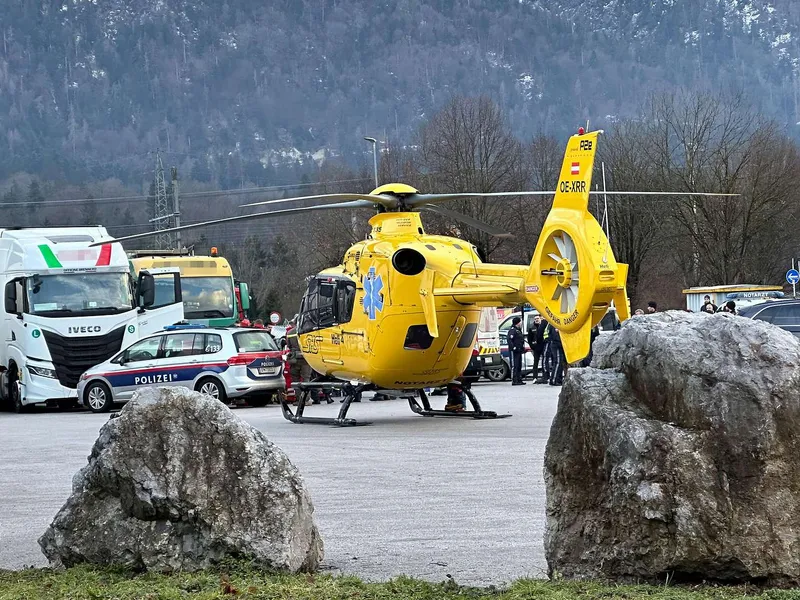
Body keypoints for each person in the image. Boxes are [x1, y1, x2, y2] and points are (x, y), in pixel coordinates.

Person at [527, 314, 547, 383]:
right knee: (535, 362)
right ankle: (534, 377)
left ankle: (545, 376)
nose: (536, 320)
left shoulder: (543, 326)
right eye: (535, 319)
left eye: (538, 318)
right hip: (536, 348)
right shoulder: (532, 328)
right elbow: (529, 339)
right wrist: (532, 346)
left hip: (543, 346)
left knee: (544, 361)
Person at [507, 316, 526, 386]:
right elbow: (509, 340)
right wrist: (513, 347)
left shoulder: (518, 330)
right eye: (520, 322)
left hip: (519, 350)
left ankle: (519, 379)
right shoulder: (512, 330)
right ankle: (514, 380)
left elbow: (520, 340)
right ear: (518, 323)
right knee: (515, 365)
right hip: (514, 351)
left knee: (519, 365)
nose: (521, 323)